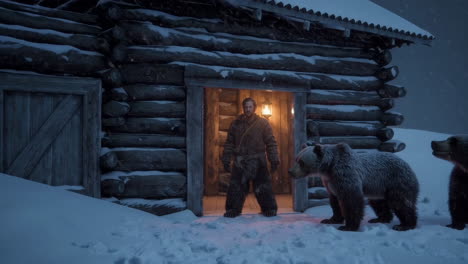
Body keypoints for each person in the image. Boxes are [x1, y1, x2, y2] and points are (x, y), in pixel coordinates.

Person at [221, 97, 280, 218]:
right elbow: (229, 143)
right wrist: (226, 159)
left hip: (258, 160)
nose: (248, 109)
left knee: (263, 186)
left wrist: (273, 159)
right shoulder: (235, 124)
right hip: (240, 160)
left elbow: (270, 142)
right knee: (236, 186)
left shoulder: (263, 123)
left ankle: (269, 209)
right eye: (246, 107)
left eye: (250, 107)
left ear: (254, 108)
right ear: (243, 108)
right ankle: (233, 209)